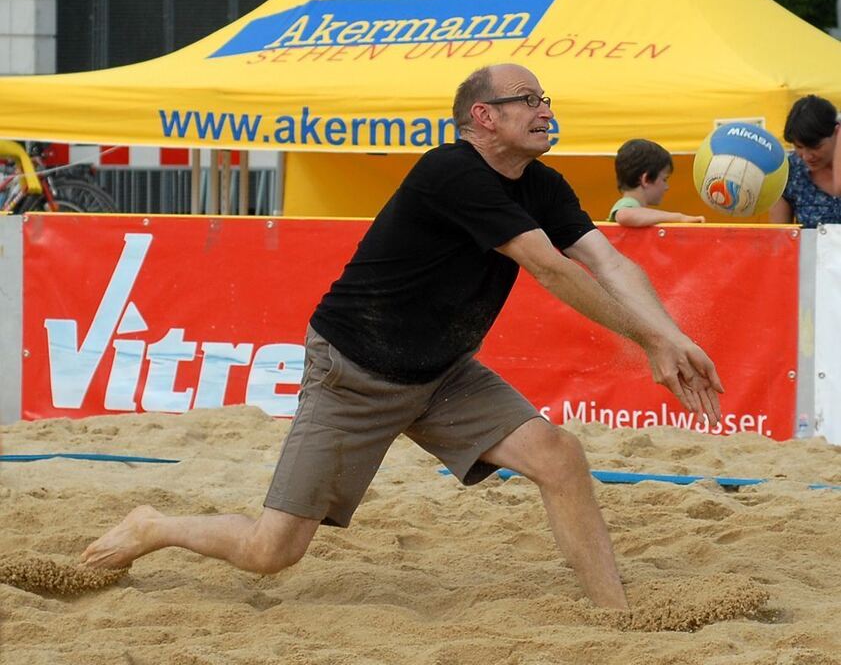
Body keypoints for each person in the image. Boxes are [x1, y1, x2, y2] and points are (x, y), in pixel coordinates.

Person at [81, 64, 723, 611]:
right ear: (484, 116)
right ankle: (153, 526)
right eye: (528, 99)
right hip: (356, 373)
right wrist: (649, 342)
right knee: (271, 551)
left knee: (559, 455)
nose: (544, 108)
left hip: (442, 374)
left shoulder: (543, 185)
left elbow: (608, 261)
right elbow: (550, 268)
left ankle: (616, 613)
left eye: (546, 98)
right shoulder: (453, 172)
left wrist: (671, 336)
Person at [769, 95, 841, 227]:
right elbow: (779, 236)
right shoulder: (790, 172)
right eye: (799, 147)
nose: (806, 156)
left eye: (816, 147)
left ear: (837, 132)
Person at [608, 139, 705, 226]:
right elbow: (624, 215)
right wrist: (679, 218)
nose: (667, 187)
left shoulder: (639, 214)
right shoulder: (628, 204)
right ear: (645, 179)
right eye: (664, 179)